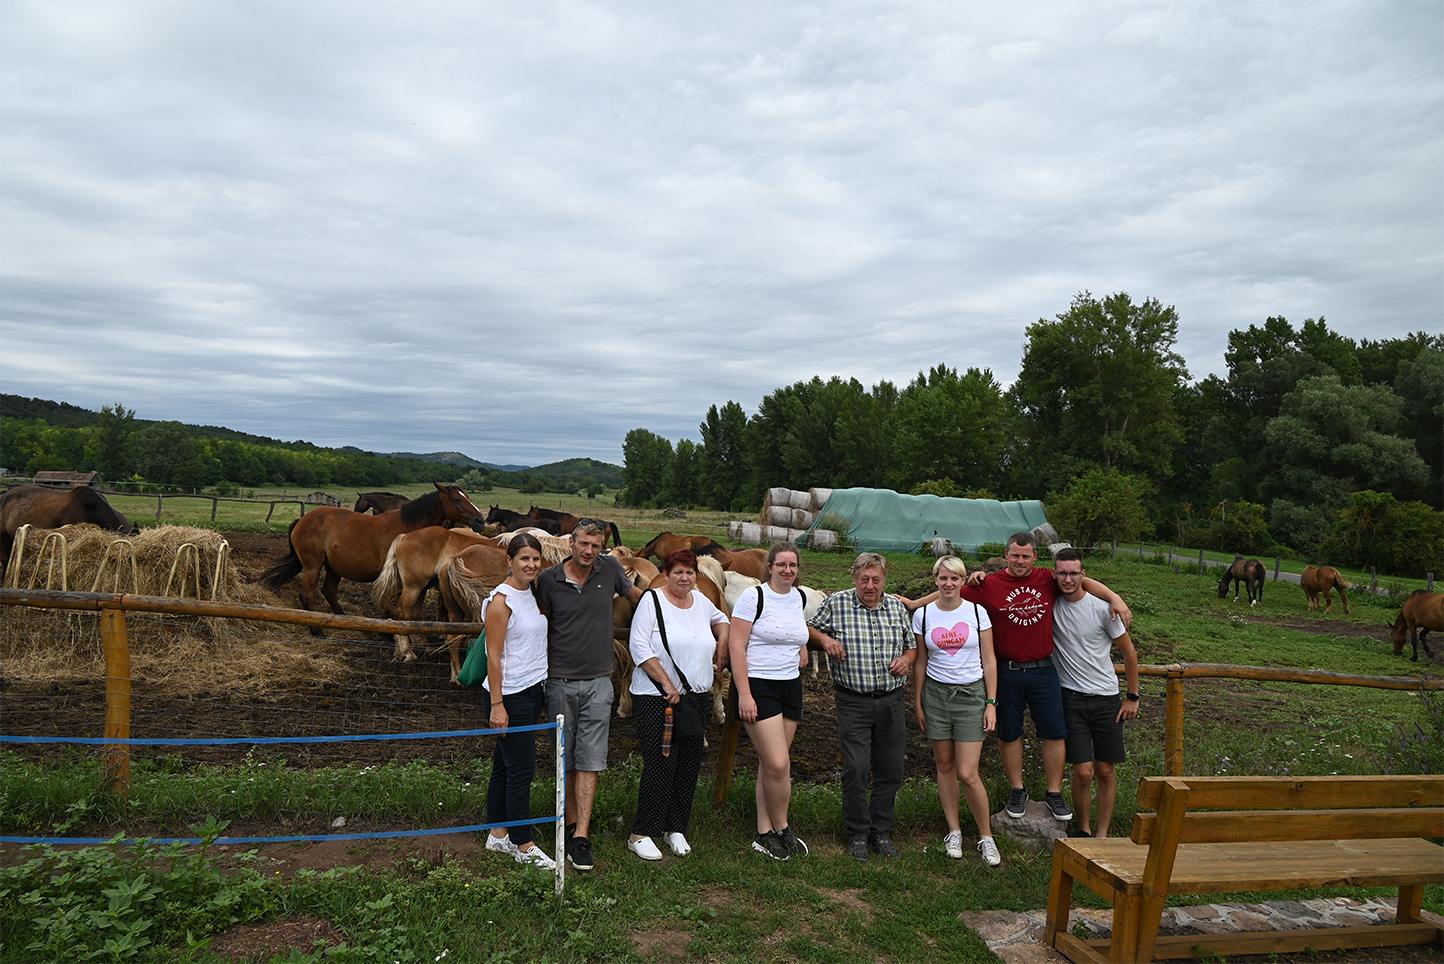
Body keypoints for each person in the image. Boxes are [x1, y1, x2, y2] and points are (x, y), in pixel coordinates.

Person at [958, 531, 1131, 823]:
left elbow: (1083, 581)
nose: (1020, 561)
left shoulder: (1047, 579)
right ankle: (1017, 789)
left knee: (1054, 731)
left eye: (1026, 556)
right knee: (1009, 732)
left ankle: (1054, 792)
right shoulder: (989, 584)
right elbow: (951, 593)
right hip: (1007, 670)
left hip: (1044, 670)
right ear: (1006, 554)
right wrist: (914, 603)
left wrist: (1114, 597)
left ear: (1035, 557)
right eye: (1015, 555)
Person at [533, 519, 643, 871]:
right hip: (559, 682)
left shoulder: (610, 569)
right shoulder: (548, 579)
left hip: (599, 682)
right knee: (564, 757)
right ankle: (568, 824)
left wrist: (678, 608)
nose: (589, 551)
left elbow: (638, 599)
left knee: (590, 759)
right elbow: (536, 621)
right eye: (583, 543)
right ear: (571, 542)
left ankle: (580, 836)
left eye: (596, 546)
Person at [806, 551, 914, 860]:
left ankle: (880, 831)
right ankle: (857, 832)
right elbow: (810, 629)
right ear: (855, 578)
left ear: (884, 580)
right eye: (864, 579)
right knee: (855, 767)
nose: (870, 585)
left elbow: (911, 647)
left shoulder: (895, 607)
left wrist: (906, 660)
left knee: (890, 768)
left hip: (891, 700)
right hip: (853, 700)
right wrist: (825, 641)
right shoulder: (837, 603)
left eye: (876, 579)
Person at [625, 549, 730, 860]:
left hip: (695, 696)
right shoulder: (652, 601)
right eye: (678, 572)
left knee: (689, 763)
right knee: (661, 763)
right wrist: (667, 684)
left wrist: (723, 640)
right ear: (666, 574)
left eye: (689, 572)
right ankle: (642, 832)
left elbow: (722, 619)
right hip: (658, 696)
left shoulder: (701, 602)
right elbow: (638, 646)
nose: (684, 578)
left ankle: (675, 828)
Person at [912, 555, 1001, 866]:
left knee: (968, 772)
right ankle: (954, 831)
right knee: (945, 764)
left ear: (963, 580)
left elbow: (989, 660)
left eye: (954, 578)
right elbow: (921, 661)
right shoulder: (923, 615)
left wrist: (991, 703)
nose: (948, 583)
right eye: (943, 578)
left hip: (971, 695)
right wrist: (918, 701)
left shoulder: (977, 612)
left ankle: (986, 836)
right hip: (936, 696)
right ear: (935, 579)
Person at [730, 541, 813, 860]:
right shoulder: (754, 597)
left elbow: (793, 629)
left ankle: (765, 832)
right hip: (758, 685)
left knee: (771, 764)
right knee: (779, 764)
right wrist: (744, 694)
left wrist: (802, 645)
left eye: (793, 565)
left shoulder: (799, 597)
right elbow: (737, 646)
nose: (787, 570)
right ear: (770, 567)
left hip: (790, 686)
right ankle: (783, 827)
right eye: (781, 565)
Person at [1050, 547, 1140, 838]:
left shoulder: (1104, 609)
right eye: (1062, 573)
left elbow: (1129, 653)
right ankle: (1084, 830)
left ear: (1083, 574)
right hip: (1070, 697)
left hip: (1106, 698)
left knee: (1105, 769)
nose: (1067, 579)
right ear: (1054, 574)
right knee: (1083, 771)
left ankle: (1102, 835)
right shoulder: (1050, 604)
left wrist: (1133, 696)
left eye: (1073, 573)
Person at [481, 533, 556, 870]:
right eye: (524, 558)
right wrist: (498, 705)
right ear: (509, 561)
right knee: (523, 770)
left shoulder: (532, 594)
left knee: (505, 765)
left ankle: (498, 834)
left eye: (535, 559)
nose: (531, 564)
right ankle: (523, 843)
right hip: (509, 696)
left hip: (531, 690)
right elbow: (493, 656)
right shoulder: (501, 601)